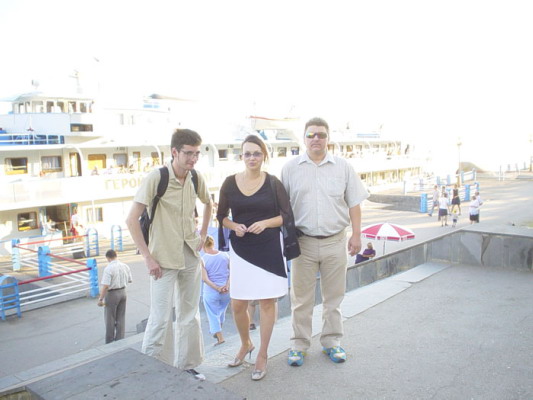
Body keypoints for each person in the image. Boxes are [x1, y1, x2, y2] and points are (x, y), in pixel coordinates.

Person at [125, 128, 212, 381]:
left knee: (189, 315)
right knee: (160, 318)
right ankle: (152, 371)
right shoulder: (158, 178)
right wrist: (147, 257)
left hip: (189, 254)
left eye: (197, 154)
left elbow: (209, 203)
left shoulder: (195, 177)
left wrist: (203, 233)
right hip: (162, 258)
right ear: (174, 152)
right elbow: (131, 220)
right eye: (188, 153)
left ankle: (187, 366)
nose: (193, 158)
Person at [281, 117, 369, 367]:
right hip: (303, 244)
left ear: (328, 138)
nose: (316, 139)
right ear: (304, 138)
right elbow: (282, 208)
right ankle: (299, 345)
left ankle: (332, 342)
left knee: (334, 298)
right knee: (301, 299)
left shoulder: (343, 167)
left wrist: (357, 234)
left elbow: (354, 203)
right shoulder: (290, 169)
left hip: (335, 242)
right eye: (311, 135)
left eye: (321, 134)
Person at [217, 134, 295, 381]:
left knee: (266, 302)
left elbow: (286, 215)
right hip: (241, 248)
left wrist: (265, 223)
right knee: (238, 304)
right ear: (241, 156)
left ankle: (262, 354)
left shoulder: (273, 183)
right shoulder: (229, 183)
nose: (252, 158)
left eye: (257, 153)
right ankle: (246, 343)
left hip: (269, 247)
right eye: (248, 153)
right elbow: (221, 217)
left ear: (264, 156)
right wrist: (234, 226)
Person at [97, 249, 133, 344]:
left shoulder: (109, 268)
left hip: (112, 294)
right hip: (123, 292)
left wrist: (100, 299)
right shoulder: (125, 266)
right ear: (116, 256)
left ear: (108, 258)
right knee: (121, 317)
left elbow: (106, 286)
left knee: (110, 318)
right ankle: (120, 339)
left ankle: (109, 341)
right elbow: (129, 280)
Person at [201, 235, 230, 346]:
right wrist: (227, 286)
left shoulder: (203, 259)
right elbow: (232, 272)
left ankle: (220, 337)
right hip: (226, 291)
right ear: (213, 243)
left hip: (211, 292)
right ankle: (218, 330)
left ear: (203, 245)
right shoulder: (225, 255)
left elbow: (205, 279)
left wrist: (217, 288)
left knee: (212, 314)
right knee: (221, 311)